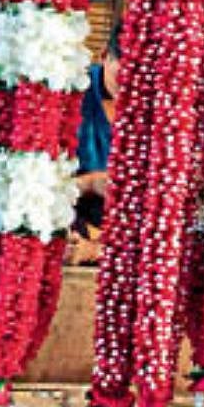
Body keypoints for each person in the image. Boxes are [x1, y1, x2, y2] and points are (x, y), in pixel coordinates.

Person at [66, 26, 120, 265]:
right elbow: (39, 187)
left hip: (127, 239)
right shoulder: (73, 94)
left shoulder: (164, 108)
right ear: (104, 56)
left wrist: (99, 249)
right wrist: (90, 183)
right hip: (72, 222)